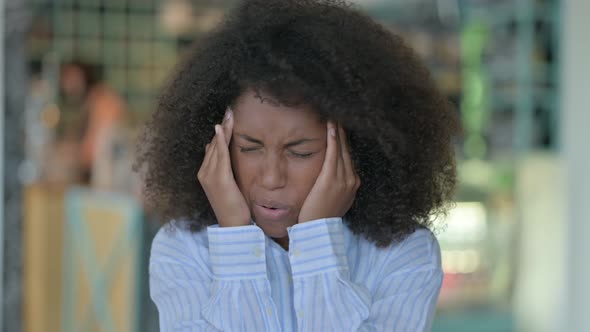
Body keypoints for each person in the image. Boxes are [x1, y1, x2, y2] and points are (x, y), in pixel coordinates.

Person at [135, 0, 461, 330]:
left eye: (300, 152)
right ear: (216, 146)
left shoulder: (402, 254)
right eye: (249, 148)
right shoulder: (183, 249)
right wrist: (235, 236)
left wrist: (317, 240)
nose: (272, 177)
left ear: (357, 149)